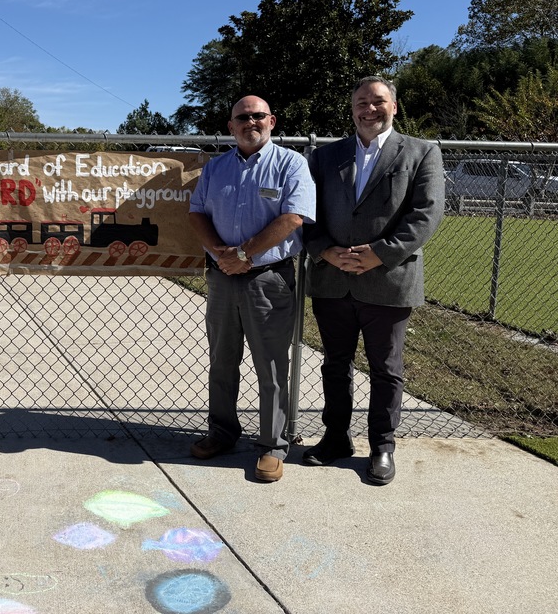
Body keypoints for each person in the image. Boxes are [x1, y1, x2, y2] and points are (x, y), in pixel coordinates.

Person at [303, 76, 445, 485]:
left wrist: (379, 254)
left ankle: (382, 446)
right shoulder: (326, 157)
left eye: (378, 101)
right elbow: (304, 210)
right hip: (332, 280)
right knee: (335, 364)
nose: (369, 109)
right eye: (361, 102)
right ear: (352, 109)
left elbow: (426, 214)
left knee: (386, 369)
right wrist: (325, 250)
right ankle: (335, 438)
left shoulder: (422, 153)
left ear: (394, 106)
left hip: (389, 281)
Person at [188, 95, 316, 482]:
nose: (251, 122)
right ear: (230, 126)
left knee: (272, 365)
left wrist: (244, 253)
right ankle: (222, 433)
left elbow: (294, 216)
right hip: (222, 279)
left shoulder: (292, 164)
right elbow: (196, 212)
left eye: (258, 116)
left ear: (272, 121)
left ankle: (273, 446)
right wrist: (221, 255)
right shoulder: (216, 168)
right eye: (242, 117)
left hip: (269, 279)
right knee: (222, 361)